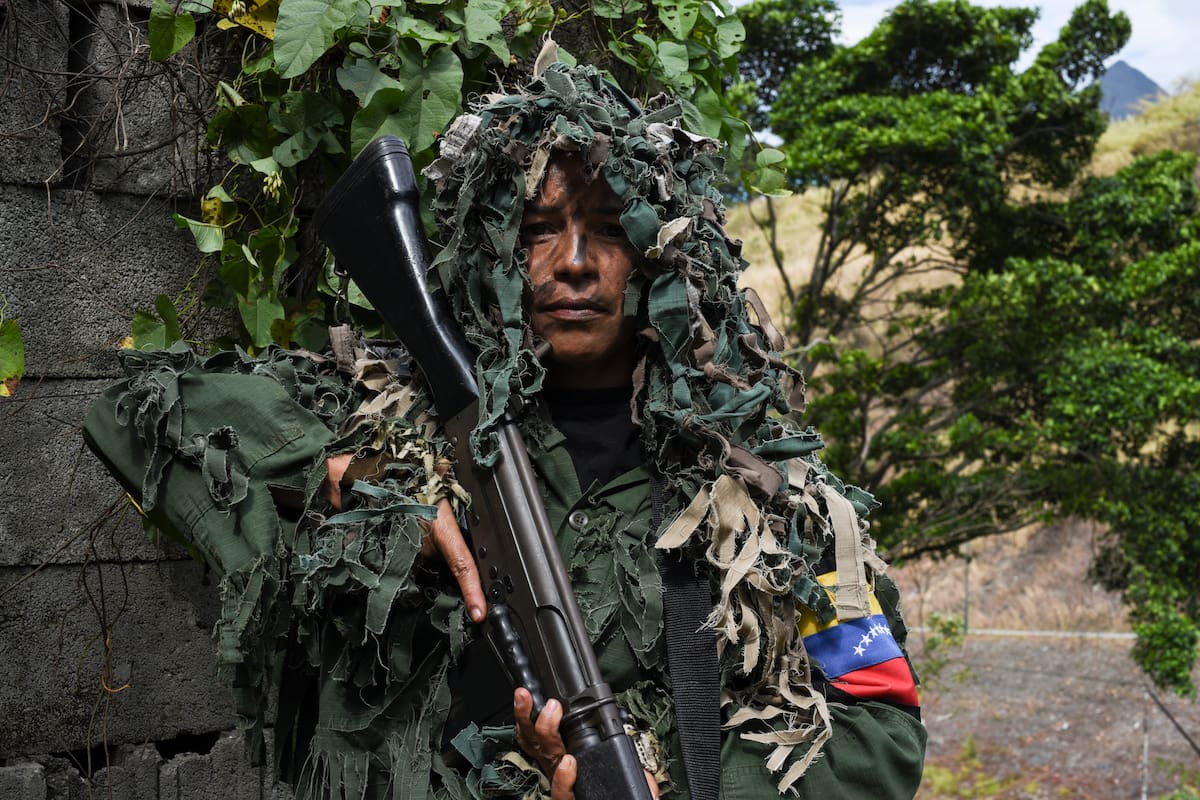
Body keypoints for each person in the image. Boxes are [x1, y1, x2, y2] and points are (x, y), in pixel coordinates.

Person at [85, 58, 926, 800]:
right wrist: (356, 482)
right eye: (536, 230)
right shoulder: (396, 411)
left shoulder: (766, 500)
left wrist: (667, 773)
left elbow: (879, 727)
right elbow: (132, 415)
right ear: (489, 252)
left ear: (663, 257)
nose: (571, 261)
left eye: (607, 230)